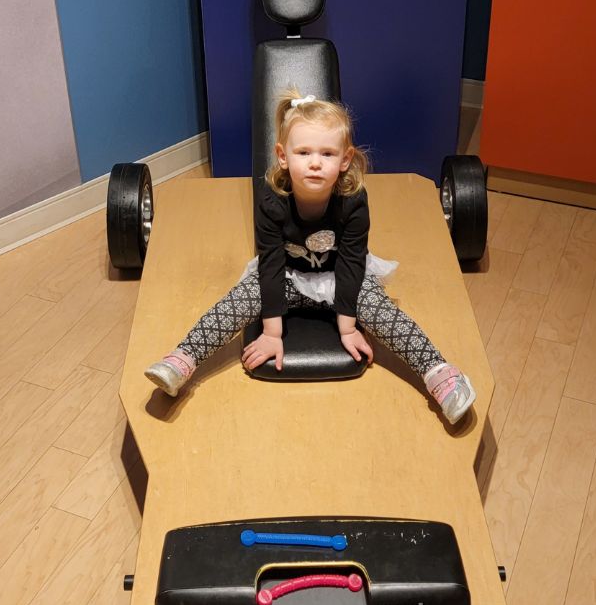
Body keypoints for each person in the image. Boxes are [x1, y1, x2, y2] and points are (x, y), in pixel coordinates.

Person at [145, 90, 476, 425]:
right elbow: (271, 265)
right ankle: (182, 360)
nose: (315, 162)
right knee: (238, 299)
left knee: (383, 311)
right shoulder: (271, 202)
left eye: (327, 153)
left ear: (345, 160)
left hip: (341, 279)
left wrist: (347, 328)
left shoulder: (354, 202)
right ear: (283, 156)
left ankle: (441, 375)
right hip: (286, 277)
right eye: (304, 152)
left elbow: (350, 263)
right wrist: (272, 333)